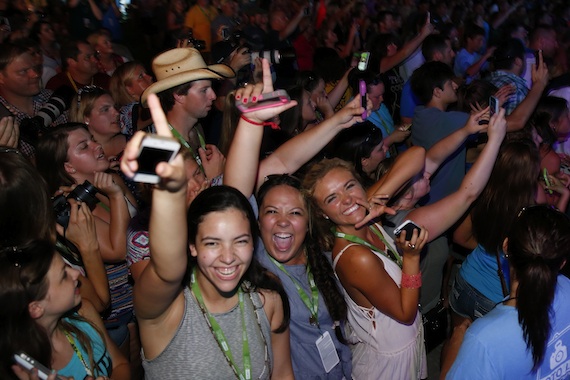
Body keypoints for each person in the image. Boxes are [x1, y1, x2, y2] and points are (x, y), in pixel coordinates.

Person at [302, 105, 507, 378]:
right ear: (322, 213)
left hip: (401, 345)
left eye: (350, 186)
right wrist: (411, 260)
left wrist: (380, 197)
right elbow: (405, 311)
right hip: (387, 364)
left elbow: (418, 154)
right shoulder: (355, 256)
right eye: (332, 198)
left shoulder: (364, 212)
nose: (347, 200)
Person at [119, 95, 294, 378]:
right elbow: (167, 271)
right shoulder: (167, 313)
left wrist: (250, 122)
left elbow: (283, 373)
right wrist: (170, 191)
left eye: (241, 241)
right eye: (212, 243)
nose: (228, 257)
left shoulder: (268, 298)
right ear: (191, 246)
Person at [443, 205, 570, 379]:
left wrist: (456, 343)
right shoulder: (567, 288)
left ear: (506, 246)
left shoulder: (483, 339)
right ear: (562, 263)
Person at [0, 240, 129, 379]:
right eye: (63, 276)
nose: (75, 274)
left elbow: (121, 365)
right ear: (36, 308)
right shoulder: (24, 371)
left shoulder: (83, 312)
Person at [140, 47, 234, 179]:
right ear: (179, 95)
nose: (213, 95)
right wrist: (215, 178)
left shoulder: (196, 129)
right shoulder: (159, 150)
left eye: (211, 88)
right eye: (204, 90)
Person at [45, 40, 111, 94]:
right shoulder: (57, 85)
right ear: (71, 62)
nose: (95, 60)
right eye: (88, 57)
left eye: (95, 55)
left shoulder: (105, 81)